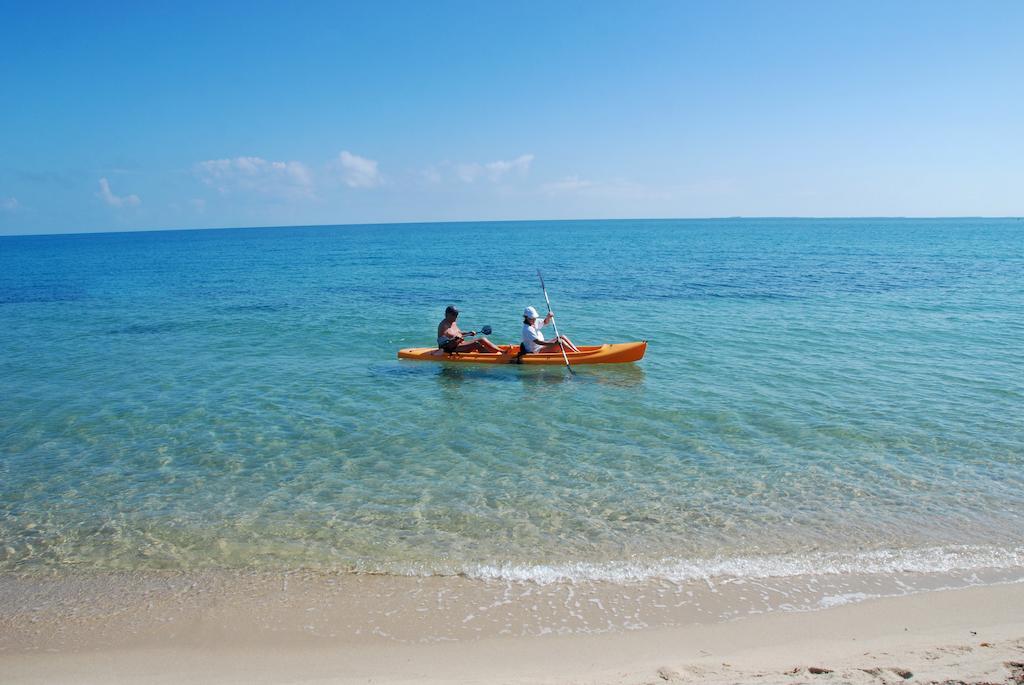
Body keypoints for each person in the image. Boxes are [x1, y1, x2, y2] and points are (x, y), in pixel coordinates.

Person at [437, 305, 503, 354]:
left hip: (459, 344)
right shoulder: (443, 325)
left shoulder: (453, 322)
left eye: (457, 314)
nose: (456, 316)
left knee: (482, 340)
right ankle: (496, 355)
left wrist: (469, 333)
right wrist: (456, 338)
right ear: (447, 314)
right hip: (450, 348)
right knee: (477, 343)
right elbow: (446, 341)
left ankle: (498, 352)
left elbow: (459, 332)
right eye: (454, 314)